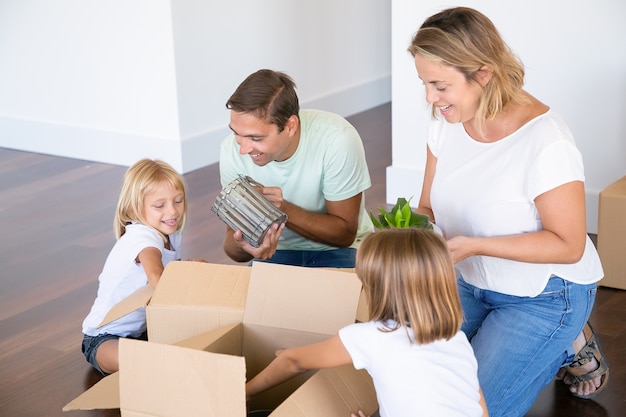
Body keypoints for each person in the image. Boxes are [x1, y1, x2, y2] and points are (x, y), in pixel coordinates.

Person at [408, 7, 607, 416]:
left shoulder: (545, 140)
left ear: (482, 73)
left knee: (467, 409)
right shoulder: (444, 122)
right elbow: (426, 206)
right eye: (425, 84)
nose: (430, 98)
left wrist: (474, 245)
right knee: (410, 383)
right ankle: (552, 344)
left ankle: (564, 341)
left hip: (543, 294)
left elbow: (569, 244)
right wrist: (411, 233)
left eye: (439, 86)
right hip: (468, 281)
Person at [245, 228, 489, 417]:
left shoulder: (372, 336)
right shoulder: (456, 339)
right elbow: (478, 410)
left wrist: (243, 392)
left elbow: (293, 360)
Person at [218, 69, 374, 268]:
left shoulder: (337, 140)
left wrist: (281, 210)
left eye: (256, 138)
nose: (243, 148)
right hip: (277, 254)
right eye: (237, 134)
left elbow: (345, 234)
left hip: (341, 250)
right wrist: (246, 245)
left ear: (290, 126)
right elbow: (233, 248)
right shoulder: (230, 150)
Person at [81, 159, 203, 375]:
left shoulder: (171, 234)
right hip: (104, 337)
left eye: (178, 201)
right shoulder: (142, 237)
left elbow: (169, 274)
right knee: (145, 360)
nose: (172, 211)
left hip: (144, 330)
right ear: (134, 208)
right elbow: (157, 277)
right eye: (159, 205)